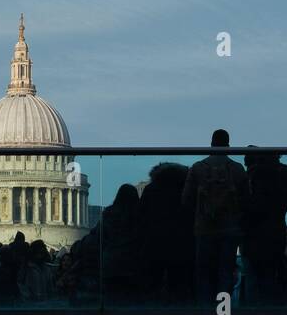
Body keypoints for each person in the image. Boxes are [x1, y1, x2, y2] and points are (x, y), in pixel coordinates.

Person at [182, 129, 250, 305]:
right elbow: (246, 200)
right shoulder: (237, 168)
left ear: (211, 144)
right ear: (228, 145)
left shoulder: (197, 167)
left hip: (204, 228)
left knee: (203, 271)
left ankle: (204, 312)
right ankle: (223, 310)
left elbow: (186, 200)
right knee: (225, 271)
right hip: (230, 228)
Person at [242, 150, 287, 305]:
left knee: (252, 277)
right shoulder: (285, 182)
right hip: (275, 234)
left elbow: (253, 208)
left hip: (253, 234)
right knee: (270, 275)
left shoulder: (258, 181)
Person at [136, 161, 194, 304]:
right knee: (179, 286)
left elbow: (141, 217)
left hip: (155, 243)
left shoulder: (151, 189)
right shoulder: (185, 190)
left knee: (153, 285)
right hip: (181, 244)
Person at [100, 183, 144, 304]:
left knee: (112, 302)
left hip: (111, 261)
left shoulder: (108, 214)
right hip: (133, 262)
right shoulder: (139, 215)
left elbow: (102, 238)